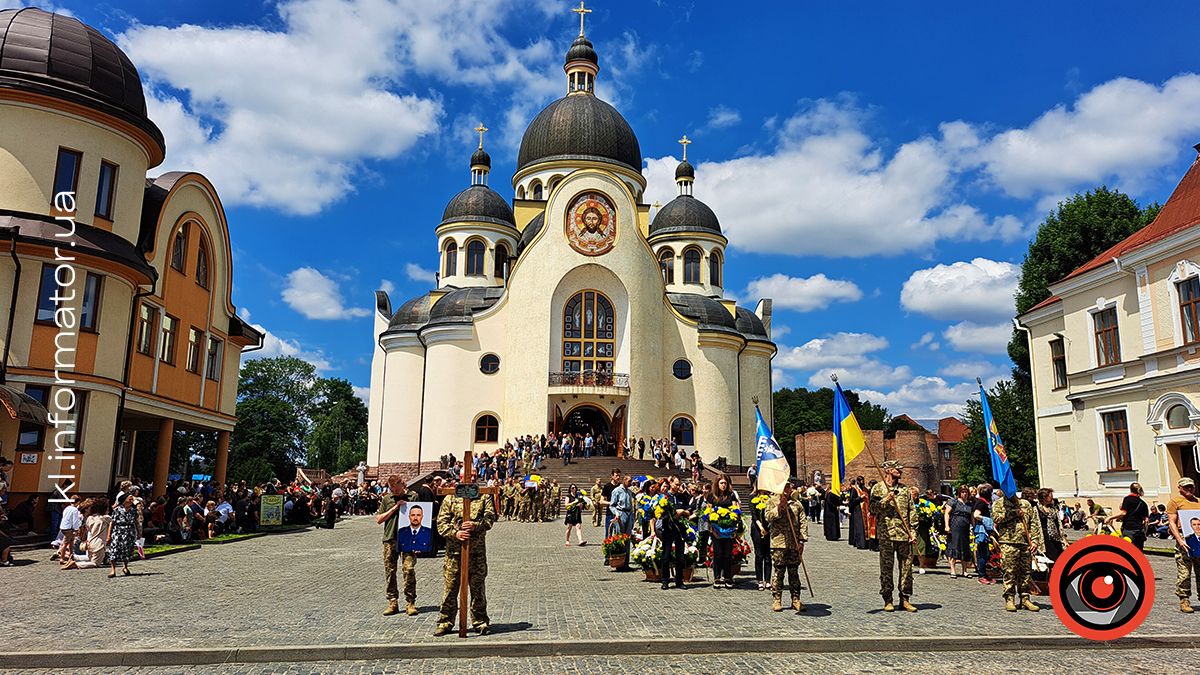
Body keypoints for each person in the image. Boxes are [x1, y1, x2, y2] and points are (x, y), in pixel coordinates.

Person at [434, 490, 498, 636]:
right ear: (461, 477)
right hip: (454, 555)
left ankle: (480, 622)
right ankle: (445, 622)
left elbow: (490, 518)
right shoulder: (450, 497)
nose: (472, 477)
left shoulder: (483, 497)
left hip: (476, 554)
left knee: (478, 590)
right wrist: (455, 533)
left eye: (475, 475)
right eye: (470, 475)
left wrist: (476, 525)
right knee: (450, 590)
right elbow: (441, 523)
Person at [869, 461, 917, 612]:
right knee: (886, 569)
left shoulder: (904, 489)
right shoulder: (878, 488)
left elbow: (912, 511)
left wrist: (913, 532)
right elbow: (872, 508)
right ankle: (888, 599)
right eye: (897, 469)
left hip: (904, 535)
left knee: (907, 569)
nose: (900, 471)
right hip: (886, 535)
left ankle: (905, 598)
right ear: (889, 470)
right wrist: (886, 500)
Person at [993, 487, 1042, 612]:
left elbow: (1034, 523)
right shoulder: (999, 504)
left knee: (1026, 572)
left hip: (1025, 542)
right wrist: (1013, 513)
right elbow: (997, 519)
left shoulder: (1025, 504)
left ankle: (1025, 598)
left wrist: (1035, 541)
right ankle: (1009, 598)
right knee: (1010, 571)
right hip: (1008, 542)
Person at [376, 475, 418, 616]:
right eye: (392, 489)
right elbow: (379, 519)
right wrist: (395, 507)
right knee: (390, 571)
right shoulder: (387, 499)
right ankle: (392, 601)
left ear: (402, 485)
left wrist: (418, 540)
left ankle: (410, 602)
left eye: (396, 489)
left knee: (409, 569)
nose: (394, 492)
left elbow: (420, 514)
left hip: (407, 539)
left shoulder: (413, 496)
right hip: (390, 538)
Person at [765, 481, 808, 612]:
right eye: (784, 486)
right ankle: (777, 598)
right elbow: (768, 517)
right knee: (779, 572)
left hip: (793, 543)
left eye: (788, 486)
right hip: (779, 543)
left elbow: (803, 522)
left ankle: (796, 599)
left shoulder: (797, 504)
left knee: (794, 572)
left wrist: (801, 541)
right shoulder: (772, 501)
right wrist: (779, 507)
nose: (786, 489)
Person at [1167, 476, 1200, 613]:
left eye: (1191, 486)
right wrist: (1180, 540)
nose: (1189, 489)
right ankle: (1184, 599)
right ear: (1179, 488)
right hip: (1184, 539)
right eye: (1186, 487)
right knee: (1185, 572)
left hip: (1198, 540)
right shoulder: (1175, 502)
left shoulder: (1198, 502)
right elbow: (1171, 522)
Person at [652, 477, 690, 589]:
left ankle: (679, 581)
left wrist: (683, 512)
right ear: (671, 483)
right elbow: (658, 513)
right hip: (668, 528)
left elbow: (689, 511)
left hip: (680, 528)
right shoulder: (664, 497)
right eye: (676, 484)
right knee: (666, 555)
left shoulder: (682, 496)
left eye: (679, 485)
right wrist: (672, 515)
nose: (678, 487)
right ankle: (665, 580)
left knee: (680, 556)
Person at [708, 475, 741, 588]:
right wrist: (712, 529)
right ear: (717, 484)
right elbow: (708, 513)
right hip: (716, 529)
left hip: (729, 530)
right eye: (721, 483)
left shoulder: (731, 495)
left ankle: (728, 577)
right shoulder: (712, 496)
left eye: (725, 483)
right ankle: (717, 577)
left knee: (727, 554)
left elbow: (736, 511)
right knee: (717, 554)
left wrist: (735, 527)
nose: (723, 485)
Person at [1105, 482, 1150, 551]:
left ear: (1130, 489)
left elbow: (1123, 513)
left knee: (1128, 551)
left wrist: (1110, 518)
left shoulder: (1127, 499)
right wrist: (1145, 533)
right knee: (1139, 552)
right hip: (1139, 531)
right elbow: (1146, 521)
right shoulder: (1143, 503)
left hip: (1129, 528)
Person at [943, 485, 975, 578]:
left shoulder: (969, 504)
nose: (964, 494)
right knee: (954, 547)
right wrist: (947, 526)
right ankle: (952, 570)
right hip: (955, 527)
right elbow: (947, 513)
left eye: (966, 492)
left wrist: (974, 527)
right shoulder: (953, 501)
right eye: (962, 492)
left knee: (964, 548)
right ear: (959, 493)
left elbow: (972, 517)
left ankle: (964, 571)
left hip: (965, 529)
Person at [107, 492, 137, 577]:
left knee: (127, 550)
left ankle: (125, 567)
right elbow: (112, 523)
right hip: (118, 531)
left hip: (129, 531)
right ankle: (113, 570)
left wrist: (138, 532)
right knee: (114, 549)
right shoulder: (117, 510)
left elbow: (136, 522)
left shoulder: (133, 510)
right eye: (130, 498)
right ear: (124, 500)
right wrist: (109, 535)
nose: (131, 500)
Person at [749, 489, 772, 591]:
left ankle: (767, 580)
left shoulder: (770, 498)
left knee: (768, 555)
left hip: (769, 528)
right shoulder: (753, 498)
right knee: (759, 554)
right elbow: (754, 516)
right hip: (757, 528)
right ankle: (759, 580)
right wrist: (761, 527)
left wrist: (768, 527)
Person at [973, 484, 995, 585]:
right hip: (981, 530)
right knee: (982, 554)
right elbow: (976, 515)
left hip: (985, 531)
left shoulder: (985, 502)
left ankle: (985, 574)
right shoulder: (981, 502)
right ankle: (981, 575)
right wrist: (987, 520)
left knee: (985, 554)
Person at [1037, 487, 1067, 561]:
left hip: (1055, 537)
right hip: (1044, 538)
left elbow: (1059, 524)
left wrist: (1063, 539)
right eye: (1050, 496)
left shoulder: (1053, 509)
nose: (1052, 498)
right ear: (1044, 497)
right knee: (1047, 558)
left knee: (1058, 557)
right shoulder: (1036, 509)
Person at [54, 494, 83, 563]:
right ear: (78, 502)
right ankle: (62, 558)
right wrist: (76, 529)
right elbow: (75, 520)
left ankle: (71, 556)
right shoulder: (75, 510)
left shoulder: (67, 508)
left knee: (71, 542)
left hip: (63, 527)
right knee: (65, 543)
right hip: (69, 528)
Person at [847, 479, 867, 550]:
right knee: (859, 527)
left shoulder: (864, 489)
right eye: (860, 481)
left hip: (865, 510)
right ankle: (860, 544)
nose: (862, 482)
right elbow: (852, 501)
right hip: (857, 510)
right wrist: (860, 498)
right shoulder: (854, 489)